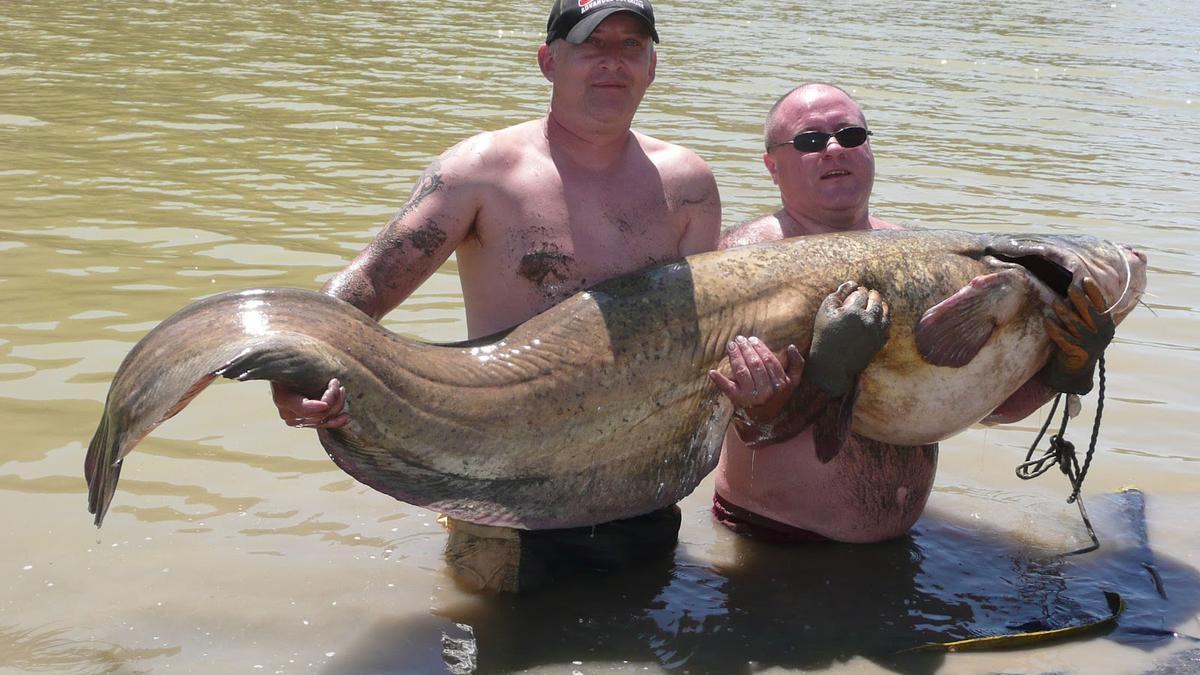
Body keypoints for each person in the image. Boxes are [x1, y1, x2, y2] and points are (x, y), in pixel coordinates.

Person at [270, 0, 722, 593]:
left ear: (652, 66)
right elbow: (363, 292)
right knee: (490, 647)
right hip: (502, 491)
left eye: (631, 45)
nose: (613, 62)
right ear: (548, 61)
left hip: (640, 487)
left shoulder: (687, 184)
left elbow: (703, 334)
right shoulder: (480, 173)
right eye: (592, 44)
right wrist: (292, 378)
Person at [708, 83, 1115, 544]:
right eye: (810, 141)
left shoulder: (921, 254)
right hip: (774, 545)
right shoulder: (749, 259)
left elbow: (984, 406)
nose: (834, 148)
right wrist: (826, 373)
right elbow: (741, 421)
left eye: (851, 135)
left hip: (902, 546)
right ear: (772, 166)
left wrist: (1064, 369)